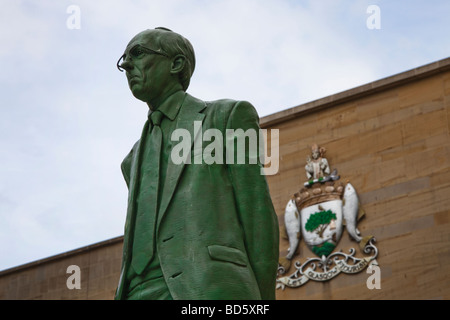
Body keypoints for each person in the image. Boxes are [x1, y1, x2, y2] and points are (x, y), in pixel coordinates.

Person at [114, 27, 279, 300]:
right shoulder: (131, 161)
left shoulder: (227, 117)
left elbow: (257, 217)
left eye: (138, 53)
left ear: (176, 64)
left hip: (209, 289)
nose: (127, 64)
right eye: (124, 59)